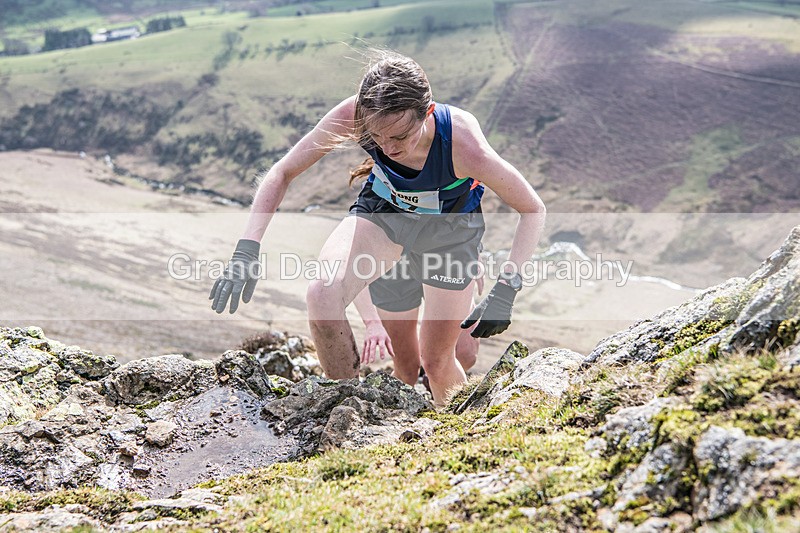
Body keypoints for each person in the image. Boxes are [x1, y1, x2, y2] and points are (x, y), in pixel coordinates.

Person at [209, 49, 546, 406]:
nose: (386, 147)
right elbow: (282, 171)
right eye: (375, 137)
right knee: (322, 296)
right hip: (386, 210)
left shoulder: (465, 146)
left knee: (437, 360)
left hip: (450, 231)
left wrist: (507, 288)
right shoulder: (354, 115)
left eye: (399, 137)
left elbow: (532, 208)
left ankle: (458, 434)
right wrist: (247, 247)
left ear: (427, 113)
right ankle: (347, 410)